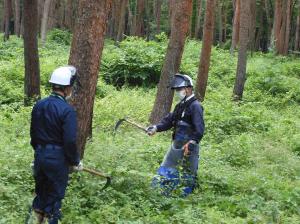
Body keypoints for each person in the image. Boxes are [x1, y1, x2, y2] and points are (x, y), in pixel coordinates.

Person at [29, 66, 83, 224]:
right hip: (57, 161)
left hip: (39, 157)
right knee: (53, 202)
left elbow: (33, 135)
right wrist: (75, 161)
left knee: (40, 196)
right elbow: (69, 141)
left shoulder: (38, 105)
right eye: (71, 87)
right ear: (67, 88)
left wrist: (40, 154)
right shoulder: (67, 111)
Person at [147, 73, 205, 197]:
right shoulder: (180, 106)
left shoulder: (196, 106)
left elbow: (199, 129)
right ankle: (159, 193)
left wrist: (192, 143)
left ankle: (185, 198)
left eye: (179, 89)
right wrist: (156, 128)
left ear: (188, 89)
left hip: (189, 147)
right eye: (176, 90)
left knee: (188, 172)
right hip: (177, 145)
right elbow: (169, 121)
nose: (177, 92)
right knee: (168, 166)